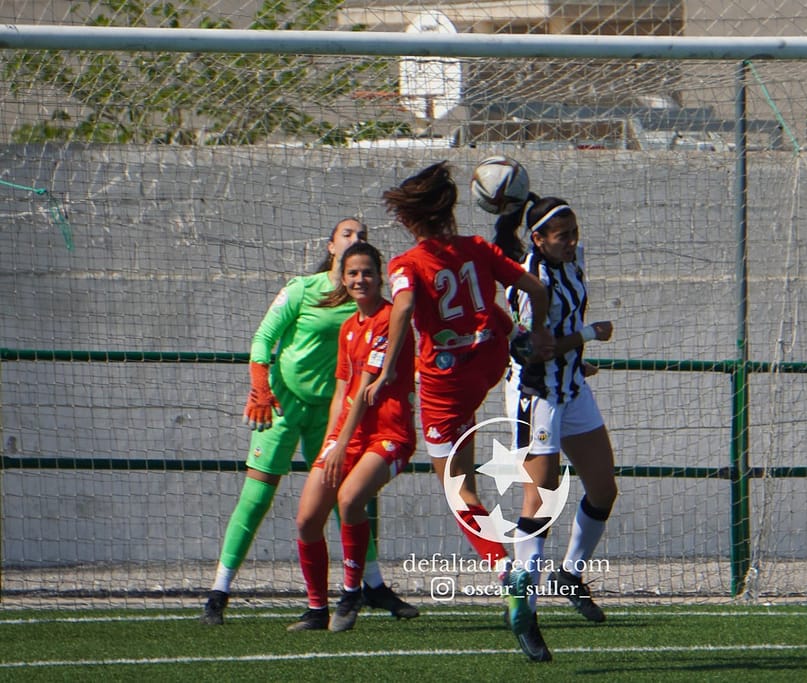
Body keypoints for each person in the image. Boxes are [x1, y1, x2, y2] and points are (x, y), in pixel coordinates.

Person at [201, 218, 417, 625]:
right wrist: (260, 388)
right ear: (331, 246)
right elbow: (264, 338)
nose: (357, 240)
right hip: (285, 406)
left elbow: (384, 345)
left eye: (363, 237)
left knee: (348, 502)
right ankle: (219, 590)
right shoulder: (303, 289)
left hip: (338, 416)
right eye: (348, 234)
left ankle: (366, 587)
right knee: (258, 497)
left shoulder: (369, 309)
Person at [365, 161, 554, 586]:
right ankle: (534, 348)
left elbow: (406, 306)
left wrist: (387, 369)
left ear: (409, 218)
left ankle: (505, 568)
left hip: (445, 382)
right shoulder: (476, 247)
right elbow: (536, 289)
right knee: (489, 316)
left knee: (458, 489)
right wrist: (535, 332)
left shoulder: (406, 264)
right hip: (489, 361)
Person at [495, 195, 618, 662]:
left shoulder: (572, 262)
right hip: (537, 393)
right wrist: (590, 336)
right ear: (538, 239)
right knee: (540, 496)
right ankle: (524, 608)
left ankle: (569, 572)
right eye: (561, 235)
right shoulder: (531, 282)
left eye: (574, 232)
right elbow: (532, 351)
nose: (571, 241)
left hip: (571, 386)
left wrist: (578, 359)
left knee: (604, 488)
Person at [288, 242, 417, 632]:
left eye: (367, 272)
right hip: (347, 433)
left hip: (388, 433)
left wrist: (342, 443)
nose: (360, 279)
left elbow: (365, 388)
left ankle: (351, 593)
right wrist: (331, 442)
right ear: (342, 280)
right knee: (307, 519)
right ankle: (315, 609)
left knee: (349, 500)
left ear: (380, 277)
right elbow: (342, 392)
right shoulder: (348, 327)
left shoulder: (389, 319)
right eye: (353, 273)